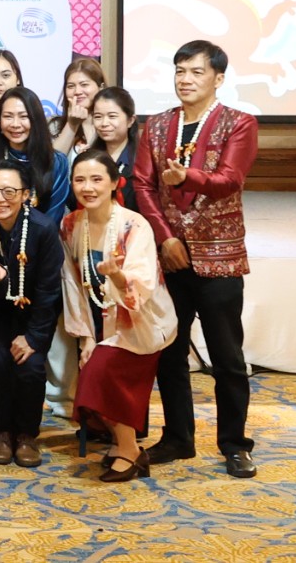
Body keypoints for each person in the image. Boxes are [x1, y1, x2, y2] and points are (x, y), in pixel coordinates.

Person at [134, 39, 259, 479]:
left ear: (218, 78)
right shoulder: (156, 125)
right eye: (180, 71)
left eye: (196, 72)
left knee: (227, 357)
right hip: (170, 258)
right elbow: (142, 184)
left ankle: (235, 444)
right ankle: (178, 437)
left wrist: (186, 176)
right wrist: (166, 239)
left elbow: (229, 180)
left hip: (220, 258)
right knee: (169, 351)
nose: (185, 80)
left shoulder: (239, 123)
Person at [61, 149, 177, 482]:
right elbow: (72, 284)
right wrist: (85, 336)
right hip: (97, 319)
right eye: (80, 180)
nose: (88, 187)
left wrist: (116, 275)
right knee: (94, 382)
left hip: (140, 322)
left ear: (114, 183)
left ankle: (130, 450)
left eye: (97, 179)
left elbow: (142, 284)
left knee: (99, 377)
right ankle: (123, 445)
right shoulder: (70, 224)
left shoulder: (133, 224)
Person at [0, 158, 63, 468]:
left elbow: (49, 290)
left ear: (26, 194)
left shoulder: (44, 229)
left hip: (34, 315)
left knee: (30, 366)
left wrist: (33, 337)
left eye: (9, 191)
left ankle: (27, 434)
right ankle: (1, 432)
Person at [0, 87, 71, 219]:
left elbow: (53, 217)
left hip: (39, 232)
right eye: (8, 116)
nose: (15, 124)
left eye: (23, 116)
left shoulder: (56, 162)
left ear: (36, 120)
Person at [88, 87, 141, 212]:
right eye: (98, 117)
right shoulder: (89, 159)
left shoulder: (142, 160)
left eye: (112, 116)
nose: (104, 123)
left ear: (130, 121)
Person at [51, 58, 107, 157]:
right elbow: (53, 162)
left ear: (101, 87)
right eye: (71, 86)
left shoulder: (110, 124)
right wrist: (72, 125)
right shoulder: (54, 126)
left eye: (84, 85)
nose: (77, 91)